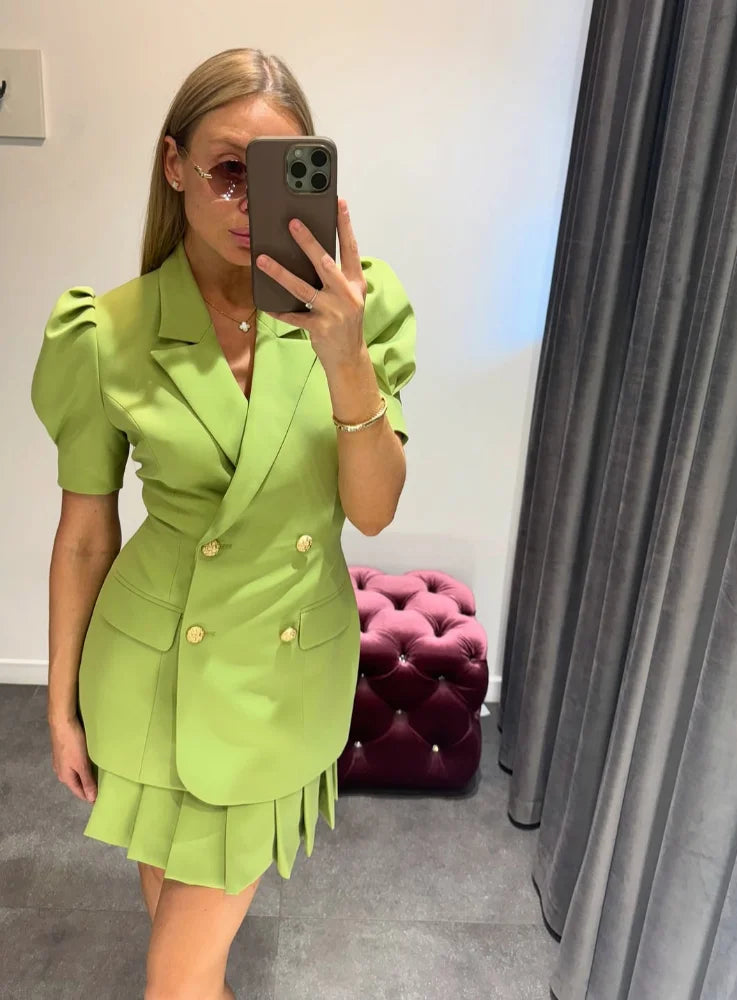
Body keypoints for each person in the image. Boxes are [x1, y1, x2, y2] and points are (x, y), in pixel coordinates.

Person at [30, 47, 416, 1000]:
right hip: (148, 671)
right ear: (174, 166)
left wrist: (344, 359)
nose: (250, 201)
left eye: (278, 173)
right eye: (227, 170)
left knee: (176, 970)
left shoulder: (361, 311)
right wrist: (60, 704)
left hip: (281, 676)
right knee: (183, 943)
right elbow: (86, 534)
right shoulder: (105, 332)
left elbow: (372, 512)